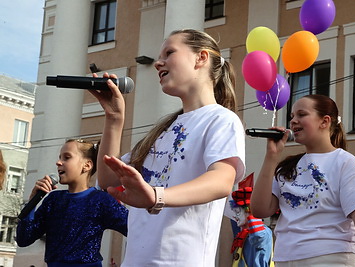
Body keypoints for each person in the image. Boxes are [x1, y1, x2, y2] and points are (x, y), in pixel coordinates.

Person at [89, 29, 246, 266]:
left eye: (169, 52)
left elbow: (221, 181)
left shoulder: (221, 119)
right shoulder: (162, 131)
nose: (158, 63)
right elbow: (110, 181)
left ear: (201, 58)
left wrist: (155, 196)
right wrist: (113, 118)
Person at [250, 95, 355, 267]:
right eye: (292, 117)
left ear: (324, 121)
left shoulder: (345, 163)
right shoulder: (287, 167)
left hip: (331, 256)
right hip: (285, 258)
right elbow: (259, 209)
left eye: (301, 115)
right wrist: (271, 156)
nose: (294, 121)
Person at [16, 139, 128, 267]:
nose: (58, 163)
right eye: (59, 158)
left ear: (87, 165)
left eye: (66, 157)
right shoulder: (53, 200)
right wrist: (33, 201)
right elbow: (23, 239)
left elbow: (133, 228)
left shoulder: (101, 200)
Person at [225, 174, 273, 267]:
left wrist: (253, 212)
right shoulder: (243, 235)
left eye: (238, 212)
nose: (235, 217)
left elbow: (258, 235)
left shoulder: (264, 232)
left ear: (248, 210)